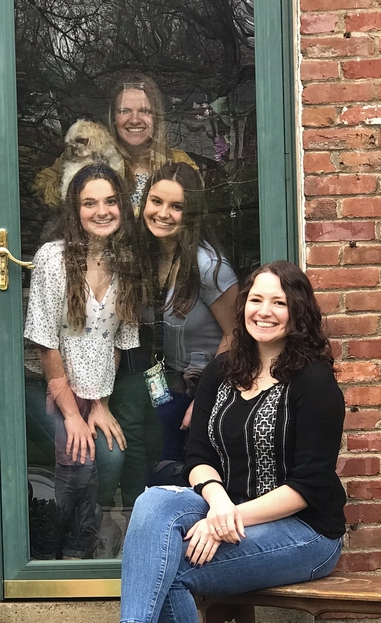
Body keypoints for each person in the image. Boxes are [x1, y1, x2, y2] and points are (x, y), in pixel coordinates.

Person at [112, 260, 346, 623]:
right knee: (154, 499)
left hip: (304, 531)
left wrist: (227, 521)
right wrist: (217, 503)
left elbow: (308, 485)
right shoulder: (223, 369)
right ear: (243, 308)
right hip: (228, 511)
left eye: (279, 302)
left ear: (298, 312)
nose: (265, 311)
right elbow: (196, 456)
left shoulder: (315, 383)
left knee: (174, 570)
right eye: (256, 300)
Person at [24, 164, 139, 560]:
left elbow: (117, 340)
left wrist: (101, 405)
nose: (101, 211)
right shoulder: (52, 259)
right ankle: (59, 554)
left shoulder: (125, 261)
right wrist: (73, 413)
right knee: (77, 457)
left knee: (111, 455)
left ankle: (85, 542)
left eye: (110, 201)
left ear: (122, 207)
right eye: (89, 203)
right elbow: (45, 343)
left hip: (96, 391)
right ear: (74, 210)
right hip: (48, 388)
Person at [123, 161, 238, 481]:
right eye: (156, 201)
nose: (163, 213)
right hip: (165, 385)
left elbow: (237, 334)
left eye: (177, 207)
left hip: (204, 390)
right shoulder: (146, 256)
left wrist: (204, 402)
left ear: (192, 213)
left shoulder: (209, 266)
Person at [34, 73, 196, 212]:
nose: (134, 120)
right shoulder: (86, 150)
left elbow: (193, 210)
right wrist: (78, 191)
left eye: (145, 111)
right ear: (114, 118)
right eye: (125, 111)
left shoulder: (177, 161)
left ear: (156, 116)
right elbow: (42, 186)